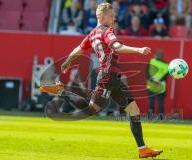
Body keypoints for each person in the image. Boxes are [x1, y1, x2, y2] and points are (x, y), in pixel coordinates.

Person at [39, 2, 163, 159]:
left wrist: (68, 61)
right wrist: (138, 50)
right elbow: (116, 46)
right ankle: (62, 91)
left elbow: (79, 48)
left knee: (134, 110)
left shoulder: (92, 34)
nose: (114, 18)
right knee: (92, 109)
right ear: (102, 16)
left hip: (114, 77)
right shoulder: (107, 31)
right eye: (111, 15)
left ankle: (143, 149)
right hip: (107, 75)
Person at [146, 49, 168, 120]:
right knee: (160, 102)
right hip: (161, 86)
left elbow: (147, 73)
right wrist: (159, 81)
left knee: (151, 101)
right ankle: (161, 117)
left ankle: (150, 117)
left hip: (151, 85)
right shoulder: (166, 65)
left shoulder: (151, 61)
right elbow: (166, 76)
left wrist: (153, 80)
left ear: (155, 55)